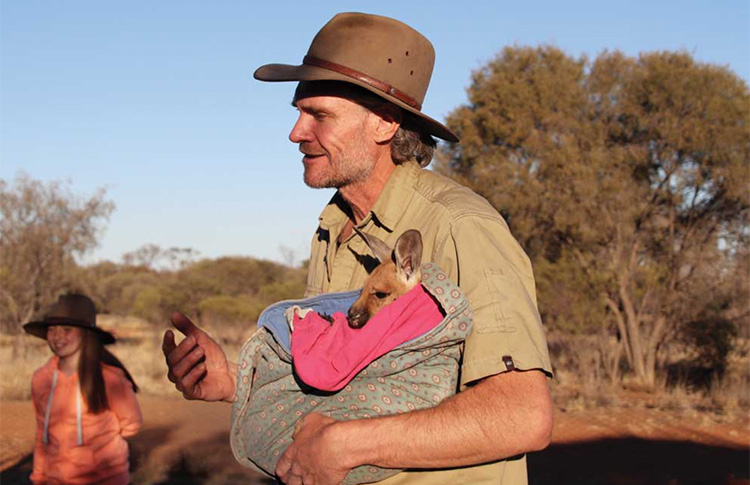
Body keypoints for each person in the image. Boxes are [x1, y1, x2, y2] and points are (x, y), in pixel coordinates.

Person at [163, 11, 553, 485]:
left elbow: (522, 414)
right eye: (298, 112)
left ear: (385, 123)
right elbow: (353, 380)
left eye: (319, 115)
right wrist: (233, 380)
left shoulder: (459, 227)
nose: (296, 132)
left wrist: (348, 446)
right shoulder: (333, 228)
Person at [24, 293, 142, 485]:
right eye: (52, 329)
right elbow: (42, 434)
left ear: (86, 334)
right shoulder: (41, 379)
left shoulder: (110, 379)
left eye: (67, 329)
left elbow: (131, 425)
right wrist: (38, 477)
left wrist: (100, 449)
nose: (57, 336)